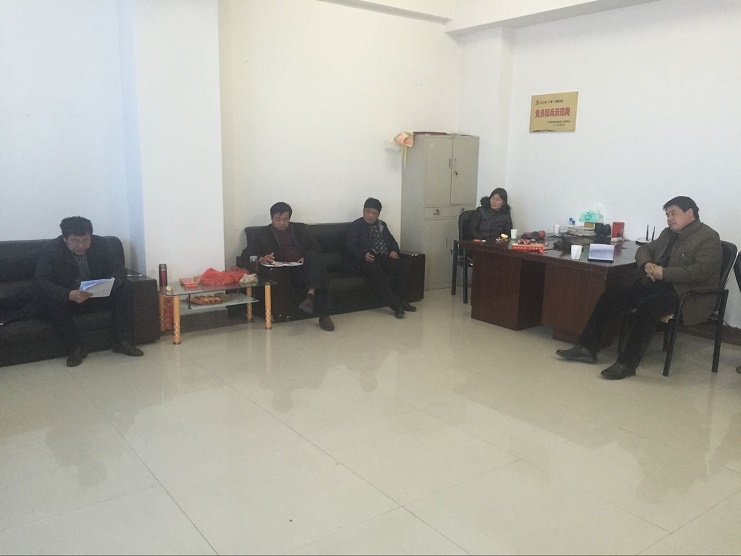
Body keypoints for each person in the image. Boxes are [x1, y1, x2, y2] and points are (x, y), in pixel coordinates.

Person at [556, 196, 722, 380]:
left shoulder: (708, 237)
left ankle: (626, 363)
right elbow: (644, 250)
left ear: (689, 212)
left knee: (648, 308)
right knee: (612, 296)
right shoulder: (668, 234)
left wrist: (664, 273)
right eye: (667, 215)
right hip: (656, 284)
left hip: (686, 294)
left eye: (673, 214)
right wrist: (647, 264)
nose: (669, 219)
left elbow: (700, 271)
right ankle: (587, 348)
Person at [34, 216, 144, 367]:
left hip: (96, 294)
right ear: (65, 238)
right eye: (75, 241)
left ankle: (122, 341)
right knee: (51, 301)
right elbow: (41, 281)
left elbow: (119, 269)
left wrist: (110, 283)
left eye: (85, 240)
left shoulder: (101, 244)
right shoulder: (51, 250)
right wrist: (67, 294)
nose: (81, 246)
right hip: (70, 299)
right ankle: (75, 347)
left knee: (125, 287)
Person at [246, 202, 335, 331]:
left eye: (285, 219)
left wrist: (306, 257)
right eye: (278, 219)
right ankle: (321, 310)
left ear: (289, 219)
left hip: (304, 267)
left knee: (313, 258)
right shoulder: (262, 233)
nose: (281, 223)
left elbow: (315, 247)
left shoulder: (300, 229)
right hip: (285, 271)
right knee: (320, 273)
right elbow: (246, 254)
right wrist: (261, 258)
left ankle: (311, 297)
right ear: (271, 218)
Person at [346, 197, 416, 319]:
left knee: (404, 265)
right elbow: (350, 246)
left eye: (374, 213)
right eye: (368, 212)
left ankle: (401, 300)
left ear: (378, 214)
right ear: (363, 211)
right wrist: (363, 255)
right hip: (365, 259)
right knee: (375, 271)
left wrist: (394, 250)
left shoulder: (382, 225)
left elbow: (391, 241)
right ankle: (397, 306)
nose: (370, 215)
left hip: (383, 257)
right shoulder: (356, 226)